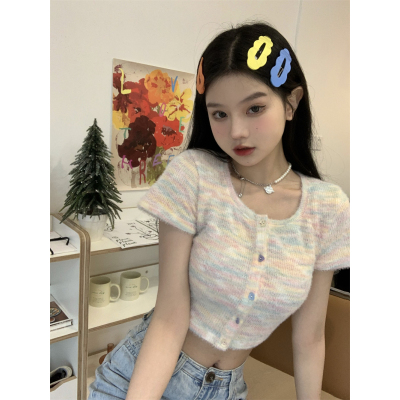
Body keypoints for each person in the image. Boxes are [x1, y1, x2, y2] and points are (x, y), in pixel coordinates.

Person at [88, 21, 350, 400]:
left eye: (255, 108)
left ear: (291, 103)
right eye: (219, 114)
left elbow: (309, 337)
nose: (237, 131)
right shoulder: (193, 176)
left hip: (225, 390)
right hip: (137, 378)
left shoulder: (328, 208)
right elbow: (169, 317)